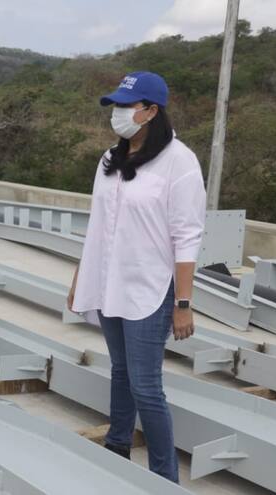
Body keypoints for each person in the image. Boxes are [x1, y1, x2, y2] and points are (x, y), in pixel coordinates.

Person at [68, 72, 206, 483]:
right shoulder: (110, 159)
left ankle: (164, 477)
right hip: (111, 285)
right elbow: (98, 225)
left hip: (151, 289)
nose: (119, 114)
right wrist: (80, 279)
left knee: (146, 386)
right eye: (116, 106)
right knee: (121, 372)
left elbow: (187, 236)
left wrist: (183, 303)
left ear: (151, 111)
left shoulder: (179, 161)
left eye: (127, 106)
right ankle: (117, 446)